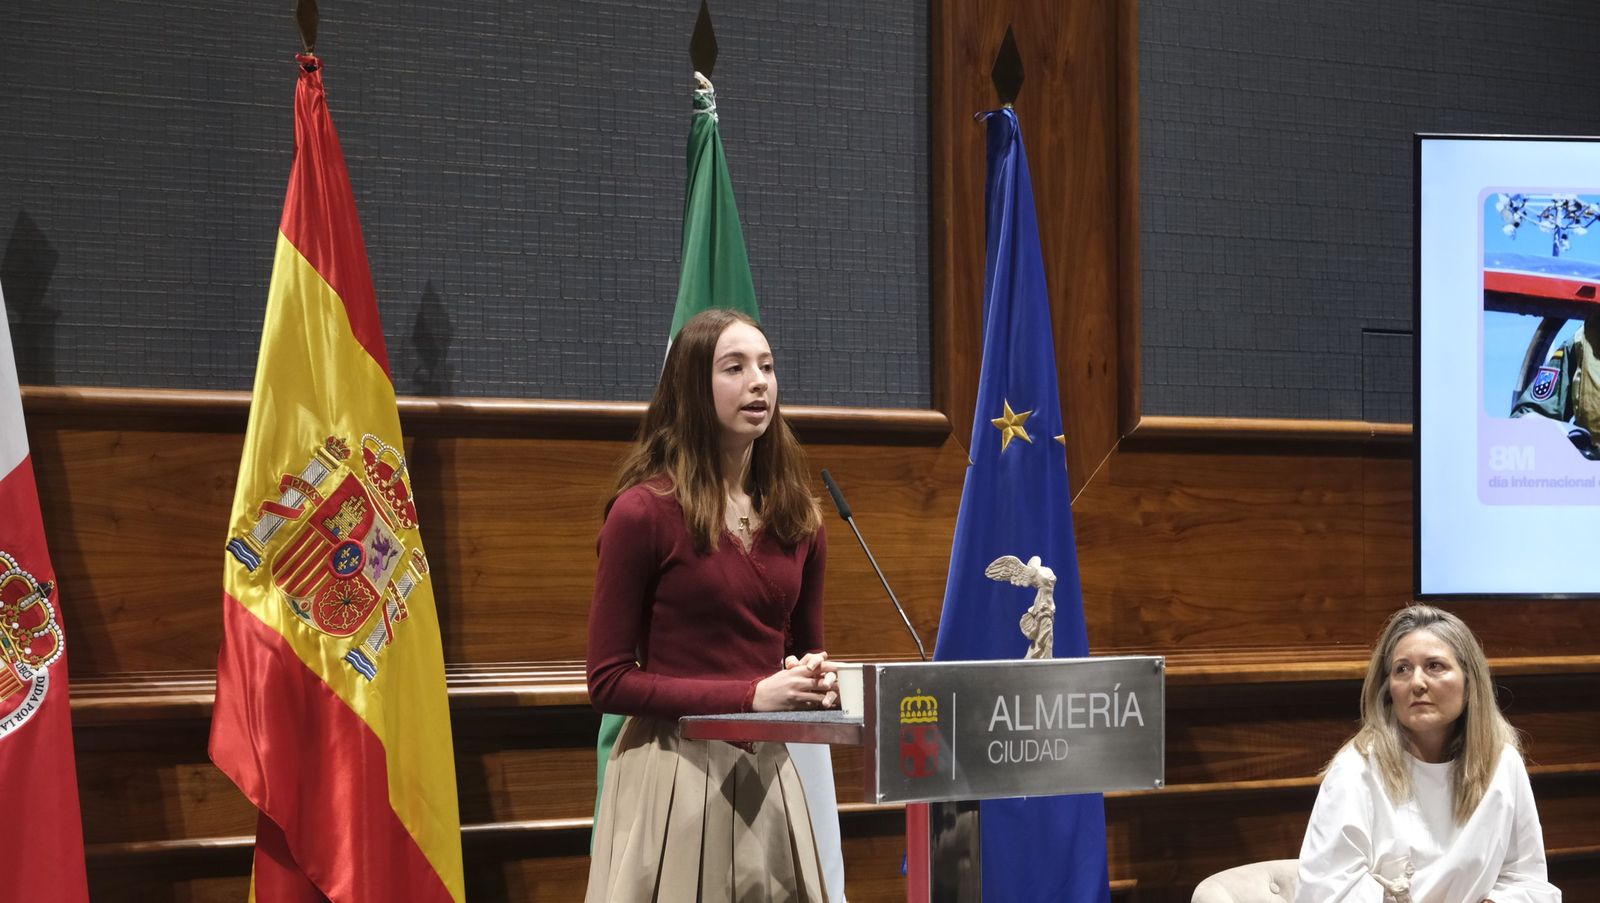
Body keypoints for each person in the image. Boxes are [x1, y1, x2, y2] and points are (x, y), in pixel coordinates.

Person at [585, 308, 839, 903]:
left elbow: (801, 653)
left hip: (770, 776)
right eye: (736, 367)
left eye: (768, 367)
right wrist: (748, 697)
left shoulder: (800, 518)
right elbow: (608, 680)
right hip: (673, 777)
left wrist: (817, 680)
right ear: (693, 388)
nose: (760, 382)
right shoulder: (643, 514)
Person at [1296, 605, 1561, 903]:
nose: (1417, 683)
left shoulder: (1502, 762)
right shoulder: (1356, 769)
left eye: (1435, 666)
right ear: (1388, 689)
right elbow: (1322, 893)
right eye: (1402, 669)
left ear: (1469, 683)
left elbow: (1528, 881)